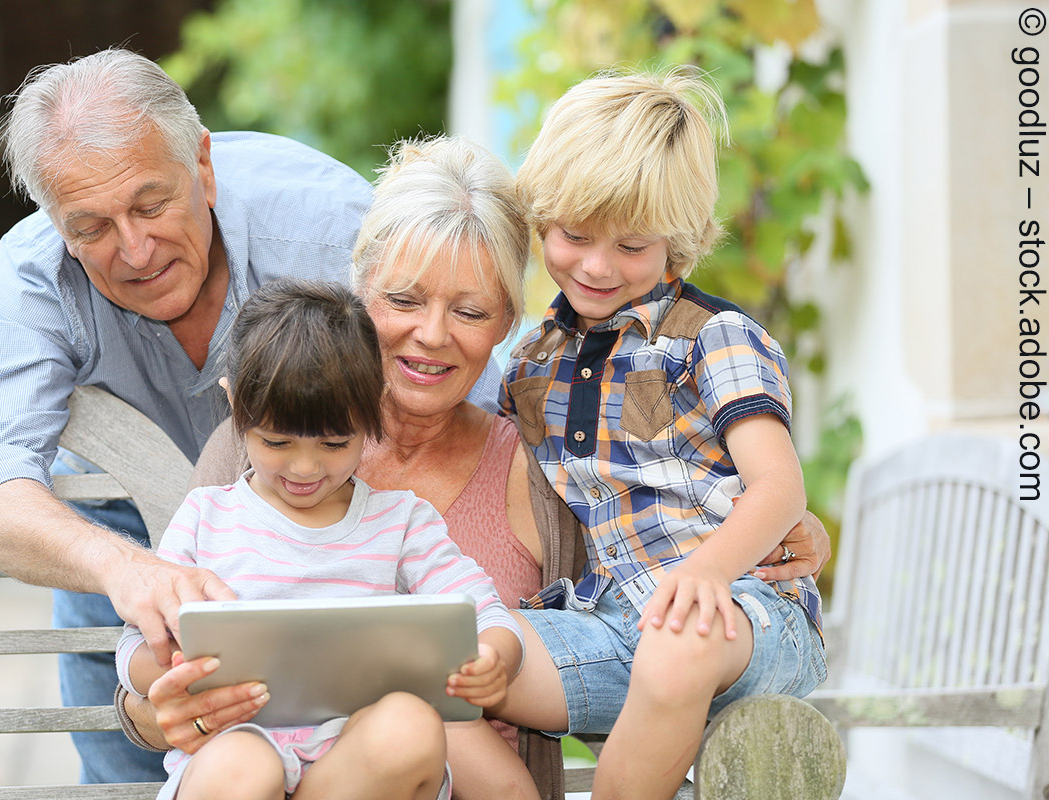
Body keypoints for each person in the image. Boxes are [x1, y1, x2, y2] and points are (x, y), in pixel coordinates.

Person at [117, 135, 833, 799]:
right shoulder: (263, 439)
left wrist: (779, 528)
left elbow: (642, 584)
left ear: (505, 324)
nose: (431, 335)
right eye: (402, 299)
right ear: (359, 288)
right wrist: (162, 711)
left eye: (470, 311)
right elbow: (155, 647)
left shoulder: (540, 449)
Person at [0, 48, 503, 783]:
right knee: (137, 771)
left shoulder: (330, 229)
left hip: (348, 539)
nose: (134, 249)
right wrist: (122, 572)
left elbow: (455, 402)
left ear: (203, 165)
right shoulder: (29, 284)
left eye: (152, 204)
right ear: (54, 220)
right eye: (90, 226)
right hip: (120, 533)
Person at [487, 68, 828, 800]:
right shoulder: (530, 365)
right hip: (617, 629)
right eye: (574, 236)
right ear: (541, 219)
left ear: (680, 241)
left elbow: (779, 486)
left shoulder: (714, 338)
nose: (598, 265)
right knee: (470, 654)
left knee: (677, 649)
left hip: (746, 618)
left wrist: (707, 572)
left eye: (632, 247)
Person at [115, 278, 532, 800]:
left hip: (354, 770)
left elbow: (487, 614)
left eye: (335, 443)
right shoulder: (207, 515)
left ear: (374, 406)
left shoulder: (400, 522)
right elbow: (134, 644)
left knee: (408, 724)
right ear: (234, 402)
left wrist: (494, 658)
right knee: (245, 765)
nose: (305, 468)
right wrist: (174, 668)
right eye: (276, 442)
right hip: (234, 754)